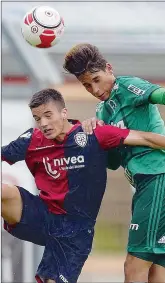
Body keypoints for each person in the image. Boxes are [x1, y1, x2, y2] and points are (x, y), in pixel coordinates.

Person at [63, 44, 165, 283]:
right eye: (87, 85)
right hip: (144, 185)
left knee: (133, 266)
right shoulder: (102, 112)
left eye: (97, 80)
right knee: (156, 268)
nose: (95, 89)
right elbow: (111, 162)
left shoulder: (127, 86)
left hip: (157, 177)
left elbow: (160, 95)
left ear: (109, 68)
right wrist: (95, 137)